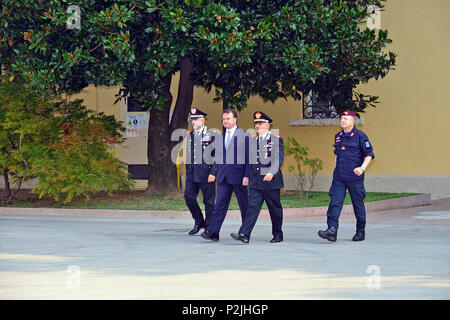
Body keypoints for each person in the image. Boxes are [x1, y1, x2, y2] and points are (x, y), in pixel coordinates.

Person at [318, 110, 375, 242]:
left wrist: (362, 168)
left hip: (355, 177)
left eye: (346, 118)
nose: (343, 121)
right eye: (342, 118)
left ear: (353, 121)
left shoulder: (360, 136)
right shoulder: (338, 136)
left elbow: (369, 154)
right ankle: (332, 230)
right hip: (339, 177)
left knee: (358, 204)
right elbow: (337, 154)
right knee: (334, 203)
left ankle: (360, 231)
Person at [230, 111, 285, 244]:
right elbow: (249, 161)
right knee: (252, 208)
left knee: (275, 209)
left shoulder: (276, 139)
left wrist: (271, 172)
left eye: (260, 123)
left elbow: (278, 158)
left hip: (271, 181)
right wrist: (246, 176)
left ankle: (278, 234)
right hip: (256, 181)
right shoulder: (253, 141)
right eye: (255, 123)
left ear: (268, 125)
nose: (257, 126)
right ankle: (244, 233)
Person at [201, 108, 250, 242]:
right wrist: (213, 173)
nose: (225, 121)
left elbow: (248, 158)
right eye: (223, 119)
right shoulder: (220, 136)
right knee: (220, 205)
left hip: (238, 176)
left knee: (244, 205)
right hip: (223, 176)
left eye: (228, 118)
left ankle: (245, 233)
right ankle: (213, 232)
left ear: (235, 119)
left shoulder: (244, 135)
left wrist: (247, 176)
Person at [184, 107, 217, 235]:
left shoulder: (212, 135)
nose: (193, 122)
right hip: (192, 174)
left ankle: (208, 227)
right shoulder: (191, 135)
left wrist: (213, 172)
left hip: (206, 173)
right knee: (189, 197)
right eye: (192, 120)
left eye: (196, 119)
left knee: (208, 201)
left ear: (203, 121)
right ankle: (199, 221)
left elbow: (217, 156)